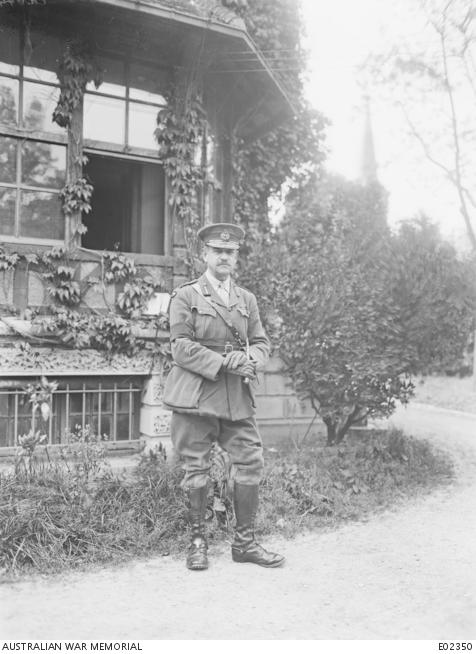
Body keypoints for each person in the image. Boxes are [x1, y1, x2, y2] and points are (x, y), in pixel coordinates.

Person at [163, 222, 285, 571]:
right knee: (196, 468)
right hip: (197, 397)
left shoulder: (247, 300)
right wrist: (224, 363)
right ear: (204, 255)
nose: (224, 257)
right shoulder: (186, 296)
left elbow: (261, 342)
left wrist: (251, 359)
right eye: (218, 251)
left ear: (236, 257)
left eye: (230, 252)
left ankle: (244, 543)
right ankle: (198, 542)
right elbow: (181, 348)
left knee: (250, 462)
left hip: (235, 398)